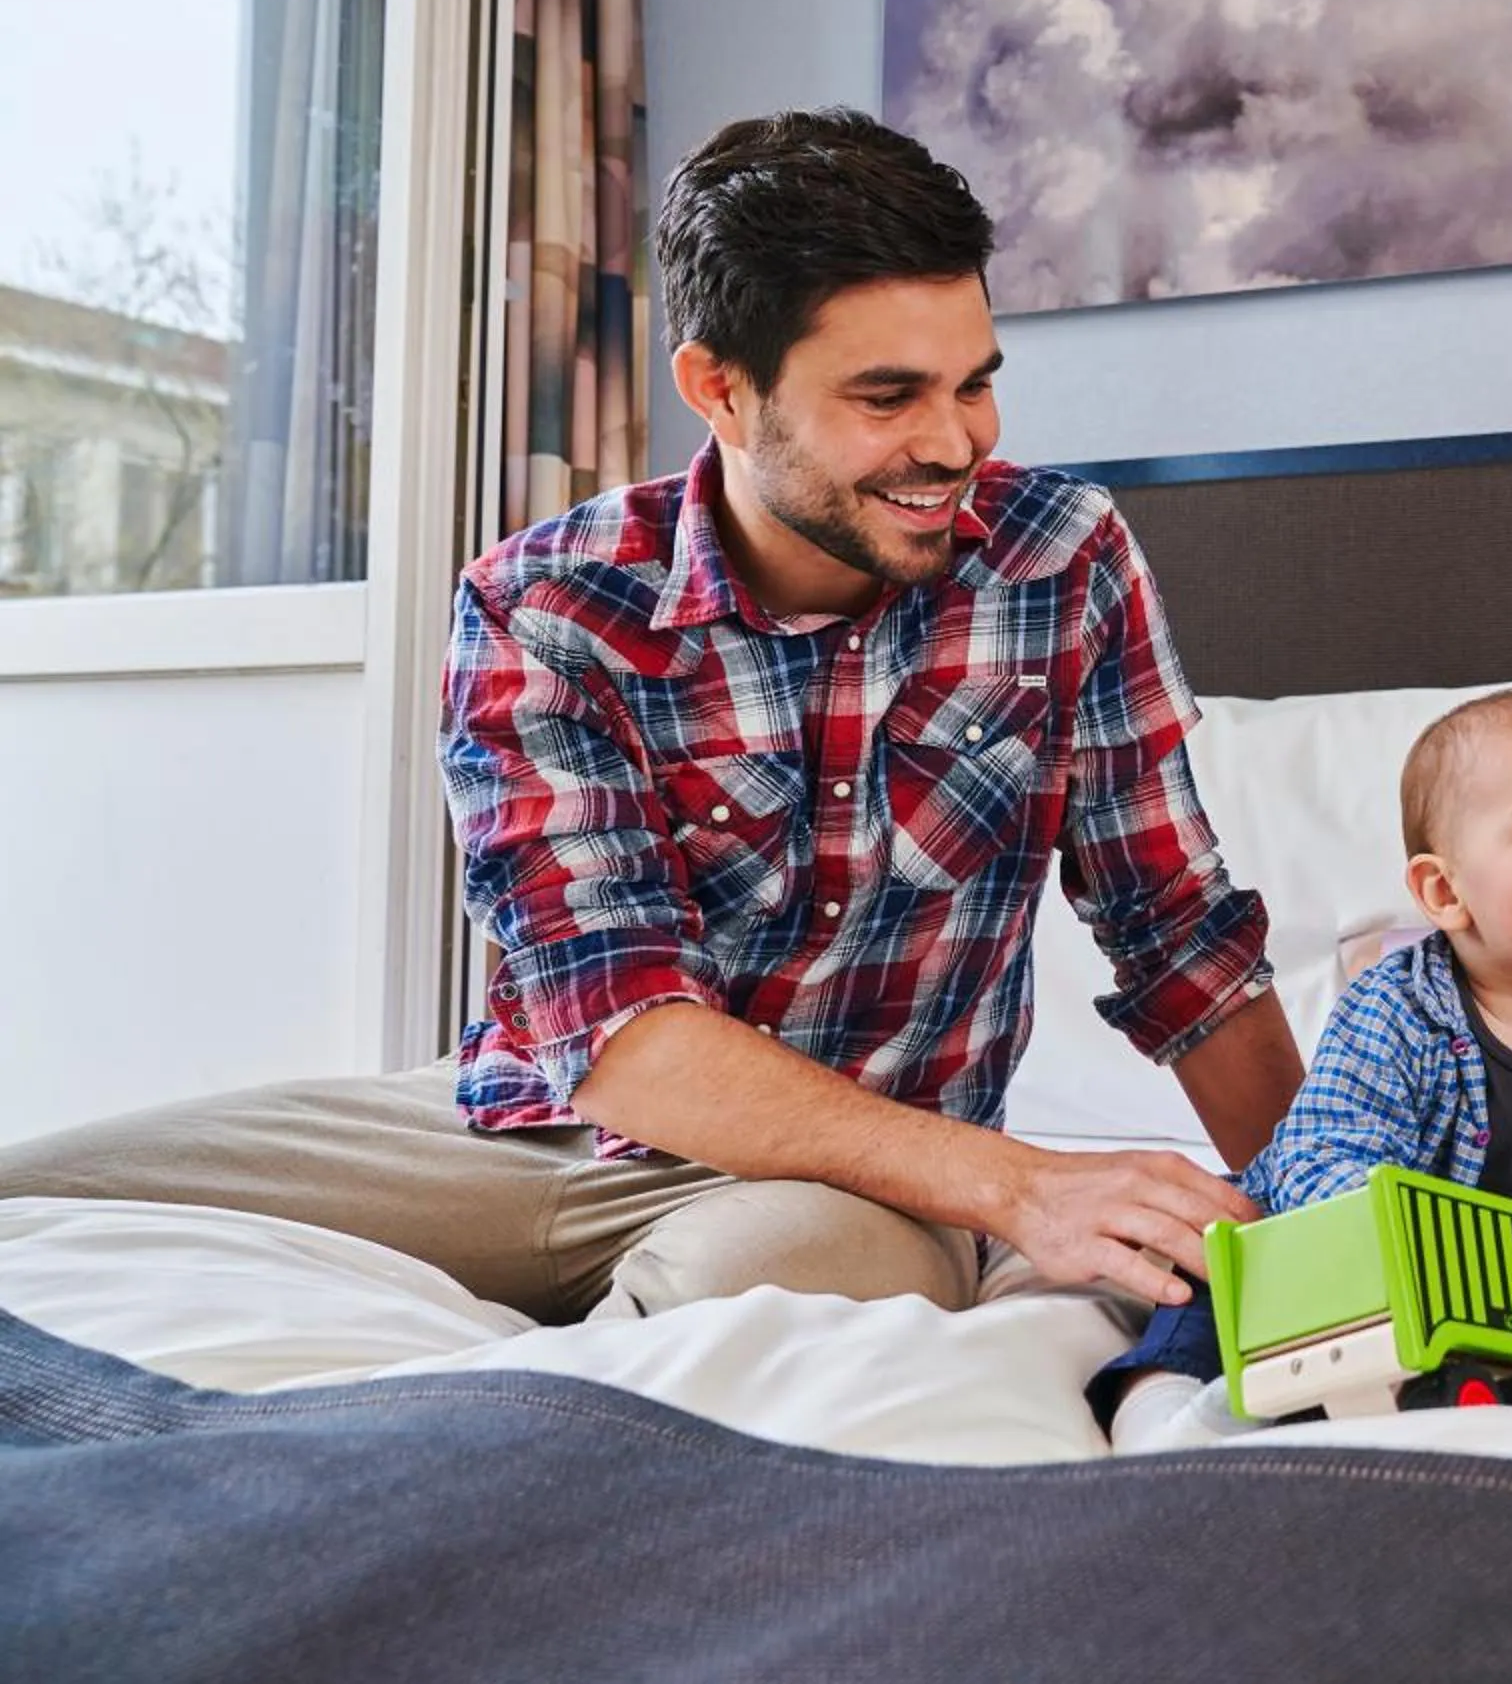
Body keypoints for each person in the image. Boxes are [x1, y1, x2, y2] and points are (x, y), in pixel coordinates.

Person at [0, 108, 1303, 1323]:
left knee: (759, 1303)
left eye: (974, 381)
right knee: (38, 1194)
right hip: (540, 1129)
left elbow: (1178, 937)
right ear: (719, 387)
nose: (958, 442)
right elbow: (619, 1032)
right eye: (887, 395)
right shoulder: (547, 606)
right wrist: (1024, 1184)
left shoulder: (1058, 560)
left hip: (869, 1185)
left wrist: (1323, 1220)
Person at [1095, 687, 1512, 1449]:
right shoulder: (1396, 1012)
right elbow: (1328, 1153)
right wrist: (1411, 1261)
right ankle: (1160, 1402)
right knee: (1212, 1259)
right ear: (1444, 891)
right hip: (1359, 1261)